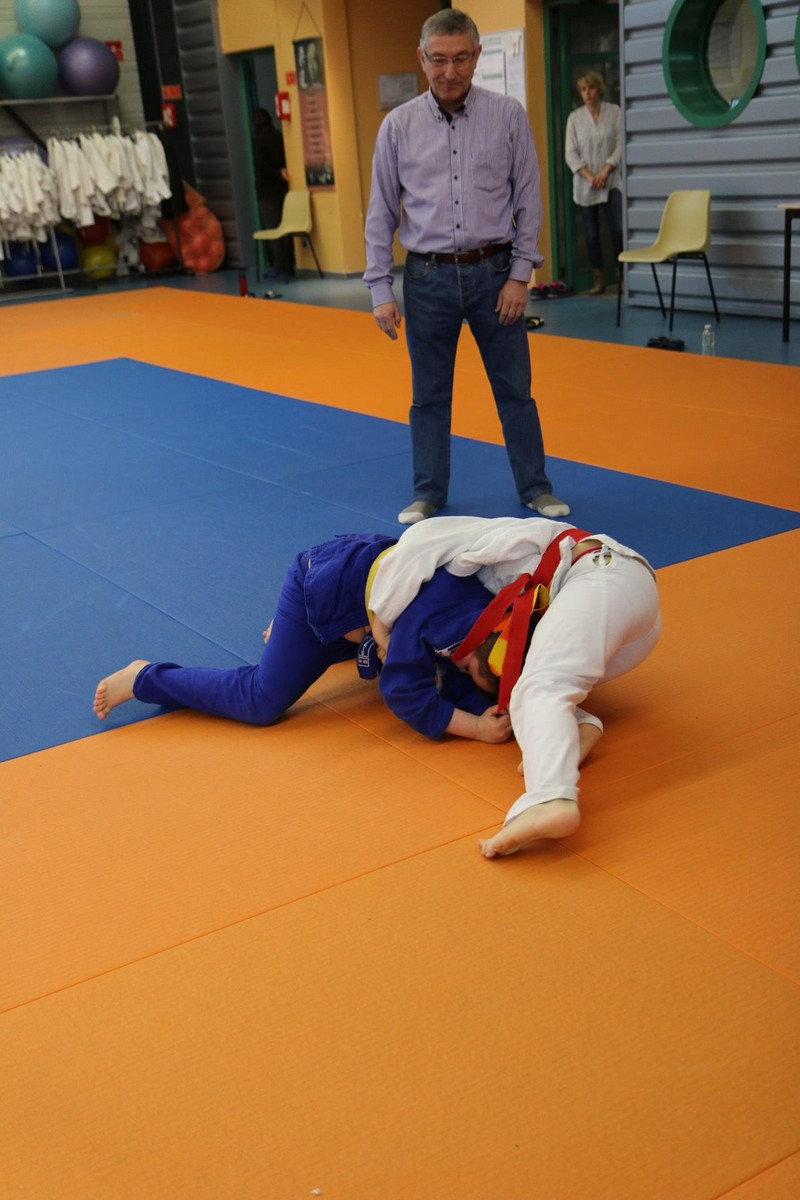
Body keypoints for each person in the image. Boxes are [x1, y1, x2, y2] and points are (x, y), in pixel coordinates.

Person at [363, 9, 568, 527]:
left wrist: (520, 274)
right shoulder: (397, 127)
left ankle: (536, 489)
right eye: (438, 60)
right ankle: (428, 493)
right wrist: (380, 289)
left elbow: (529, 200)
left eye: (460, 59)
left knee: (515, 391)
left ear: (476, 56)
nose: (449, 71)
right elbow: (380, 211)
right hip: (427, 279)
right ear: (421, 58)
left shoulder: (508, 117)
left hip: (496, 276)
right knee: (428, 396)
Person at [368, 516, 661, 858]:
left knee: (541, 686)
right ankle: (577, 727)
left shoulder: (441, 543)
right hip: (630, 619)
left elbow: (410, 550)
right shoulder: (483, 584)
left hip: (603, 577)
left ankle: (550, 798)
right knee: (528, 685)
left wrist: (381, 625)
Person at [93, 533, 512, 746]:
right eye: (465, 665)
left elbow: (465, 674)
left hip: (362, 575)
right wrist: (475, 726)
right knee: (261, 700)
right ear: (468, 647)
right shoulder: (438, 627)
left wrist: (490, 709)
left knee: (433, 670)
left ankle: (291, 629)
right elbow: (405, 694)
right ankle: (145, 677)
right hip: (323, 588)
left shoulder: (492, 612)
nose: (459, 667)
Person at [564, 71, 623, 296]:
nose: (587, 93)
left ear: (599, 89)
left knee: (617, 230)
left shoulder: (614, 112)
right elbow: (570, 153)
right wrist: (589, 176)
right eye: (583, 89)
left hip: (611, 180)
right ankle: (598, 277)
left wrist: (606, 169)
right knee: (591, 234)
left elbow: (620, 144)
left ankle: (622, 275)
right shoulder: (575, 118)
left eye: (591, 88)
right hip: (585, 184)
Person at [252, 107, 295, 279]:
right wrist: (281, 173)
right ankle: (289, 262)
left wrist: (275, 173)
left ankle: (278, 265)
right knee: (286, 228)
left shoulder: (257, 141)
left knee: (273, 228)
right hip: (282, 189)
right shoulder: (279, 137)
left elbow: (261, 165)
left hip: (267, 191)